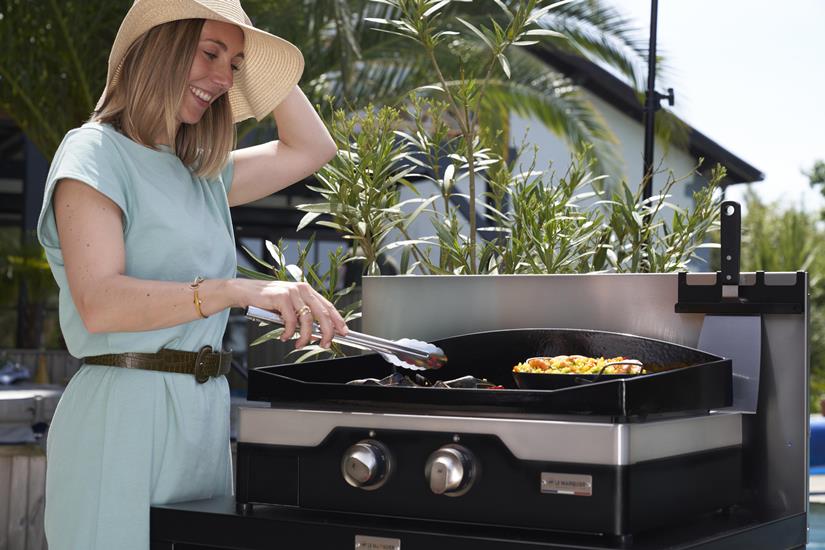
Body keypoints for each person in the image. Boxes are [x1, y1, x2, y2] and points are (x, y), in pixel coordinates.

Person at [35, 1, 348, 548]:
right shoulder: (94, 153)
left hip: (203, 413)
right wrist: (235, 291)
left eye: (236, 64)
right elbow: (101, 302)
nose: (224, 78)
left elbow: (313, 148)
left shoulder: (200, 173)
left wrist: (261, 60)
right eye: (209, 53)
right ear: (163, 46)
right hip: (123, 414)